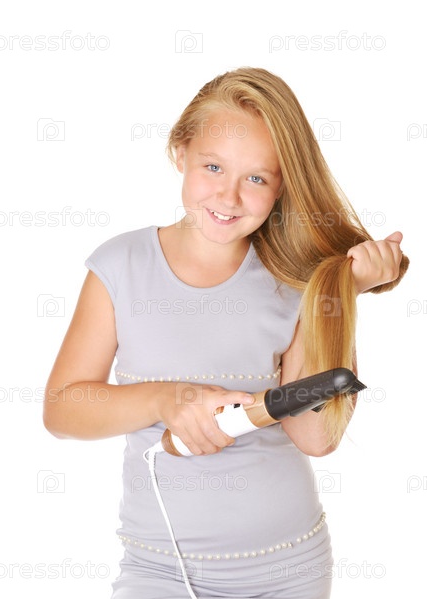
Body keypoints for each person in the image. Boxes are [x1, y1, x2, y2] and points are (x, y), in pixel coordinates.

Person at [43, 67, 408, 598]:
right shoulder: (121, 267)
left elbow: (316, 437)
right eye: (213, 166)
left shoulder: (294, 282)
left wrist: (338, 296)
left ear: (282, 187)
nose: (229, 196)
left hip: (289, 568)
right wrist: (167, 399)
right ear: (180, 152)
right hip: (160, 571)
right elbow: (62, 410)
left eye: (256, 179)